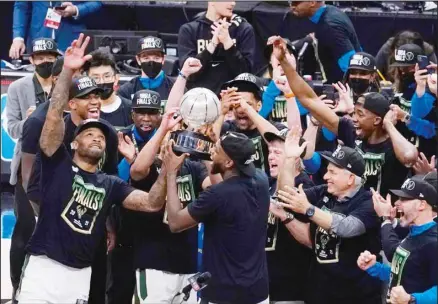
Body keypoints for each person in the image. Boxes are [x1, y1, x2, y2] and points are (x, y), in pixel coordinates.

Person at [16, 33, 169, 304]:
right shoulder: (58, 159)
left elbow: (151, 202)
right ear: (73, 143)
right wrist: (66, 72)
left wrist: (170, 166)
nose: (97, 136)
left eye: (101, 136)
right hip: (46, 262)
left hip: (81, 269)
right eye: (89, 135)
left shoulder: (108, 181)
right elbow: (52, 119)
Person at [271, 36, 418, 196]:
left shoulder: (393, 143)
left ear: (377, 120)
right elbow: (309, 100)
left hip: (382, 214)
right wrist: (285, 63)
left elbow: (409, 156)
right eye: (353, 113)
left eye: (360, 115)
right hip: (351, 207)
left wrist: (389, 125)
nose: (353, 118)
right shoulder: (351, 130)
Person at [164, 131, 270, 304]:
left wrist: (171, 173)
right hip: (257, 292)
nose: (212, 150)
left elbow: (175, 222)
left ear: (229, 162)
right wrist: (210, 158)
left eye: (217, 149)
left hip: (223, 295)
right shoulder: (261, 179)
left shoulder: (218, 195)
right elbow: (226, 190)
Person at [276, 137, 382, 304]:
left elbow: (347, 227)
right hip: (319, 293)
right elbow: (286, 196)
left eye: (333, 172)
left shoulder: (369, 203)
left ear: (350, 179)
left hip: (356, 296)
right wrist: (289, 160)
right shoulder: (324, 192)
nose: (325, 176)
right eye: (327, 171)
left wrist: (308, 209)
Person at [6, 37, 61, 303]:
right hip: (27, 166)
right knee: (25, 230)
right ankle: (17, 288)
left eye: (50, 57)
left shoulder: (64, 85)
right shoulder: (18, 87)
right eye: (40, 58)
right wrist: (30, 120)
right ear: (31, 61)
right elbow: (12, 129)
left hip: (59, 166)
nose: (46, 61)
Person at [358, 175, 437, 304]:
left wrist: (412, 299)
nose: (396, 203)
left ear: (422, 205)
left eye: (404, 199)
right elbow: (405, 273)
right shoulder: (414, 233)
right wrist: (375, 267)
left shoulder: (434, 242)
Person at [264, 129, 314, 303]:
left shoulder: (305, 188)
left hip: (290, 286)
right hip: (265, 281)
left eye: (277, 152)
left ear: (296, 157)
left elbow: (308, 238)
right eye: (269, 152)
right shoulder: (269, 183)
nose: (270, 157)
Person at [215, 73, 287, 175]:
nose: (240, 109)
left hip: (270, 188)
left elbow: (279, 144)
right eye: (236, 104)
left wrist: (247, 109)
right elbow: (208, 146)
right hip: (239, 188)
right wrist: (221, 113)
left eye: (247, 104)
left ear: (259, 105)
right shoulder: (226, 128)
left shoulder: (275, 127)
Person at [178, 1, 256, 93]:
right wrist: (213, 44)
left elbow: (246, 74)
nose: (233, 3)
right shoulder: (189, 30)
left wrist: (228, 43)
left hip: (233, 97)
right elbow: (189, 74)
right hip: (199, 99)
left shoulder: (243, 29)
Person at [289, 1, 361, 83]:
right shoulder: (331, 11)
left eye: (295, 2)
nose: (292, 7)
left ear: (312, 2)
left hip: (340, 90)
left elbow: (350, 66)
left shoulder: (330, 26)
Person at [389, 43, 437, 159]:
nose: (403, 72)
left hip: (426, 154)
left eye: (409, 67)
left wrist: (405, 117)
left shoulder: (432, 90)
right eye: (400, 68)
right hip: (402, 151)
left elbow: (431, 130)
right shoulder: (397, 91)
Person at [9, 1, 102, 57]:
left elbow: (96, 2)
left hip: (70, 39)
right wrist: (18, 38)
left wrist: (76, 9)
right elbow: (21, 7)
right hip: (38, 37)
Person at [84, 49, 133, 129]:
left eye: (106, 76)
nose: (102, 82)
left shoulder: (131, 109)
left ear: (116, 78)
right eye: (96, 78)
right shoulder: (83, 110)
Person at [118, 36, 175, 102]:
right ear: (138, 60)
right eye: (146, 58)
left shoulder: (176, 87)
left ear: (163, 59)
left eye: (156, 58)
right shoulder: (126, 91)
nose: (151, 62)